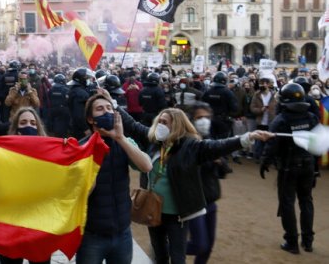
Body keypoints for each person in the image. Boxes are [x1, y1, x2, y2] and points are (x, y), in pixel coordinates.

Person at [131, 108, 272, 264]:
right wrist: (113, 105)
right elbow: (132, 125)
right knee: (159, 254)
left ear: (176, 126)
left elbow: (218, 146)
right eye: (159, 121)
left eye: (165, 122)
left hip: (178, 215)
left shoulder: (191, 146)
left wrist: (247, 137)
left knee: (178, 257)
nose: (159, 125)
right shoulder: (153, 141)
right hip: (153, 211)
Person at [75, 93, 152, 264]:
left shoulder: (124, 142)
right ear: (90, 118)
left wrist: (120, 138)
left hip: (122, 232)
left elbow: (146, 166)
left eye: (109, 108)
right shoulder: (81, 147)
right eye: (100, 109)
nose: (106, 112)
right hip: (92, 234)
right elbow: (81, 193)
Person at [260, 83, 319, 254]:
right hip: (308, 164)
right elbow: (316, 143)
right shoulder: (311, 118)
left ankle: (292, 241)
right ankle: (308, 241)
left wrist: (265, 161)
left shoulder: (281, 120)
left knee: (287, 203)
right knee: (306, 200)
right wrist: (315, 169)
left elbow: (272, 145)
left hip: (288, 167)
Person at [0, 107, 50, 263]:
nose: (29, 126)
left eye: (33, 123)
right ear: (16, 128)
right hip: (11, 227)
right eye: (23, 122)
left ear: (38, 127)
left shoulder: (49, 151)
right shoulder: (2, 152)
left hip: (39, 226)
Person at [185, 103, 228, 264]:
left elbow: (224, 172)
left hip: (210, 199)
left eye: (207, 117)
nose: (204, 121)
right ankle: (165, 248)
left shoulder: (210, 139)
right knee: (199, 245)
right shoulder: (185, 142)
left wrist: (219, 162)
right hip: (193, 201)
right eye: (199, 117)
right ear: (192, 120)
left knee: (208, 246)